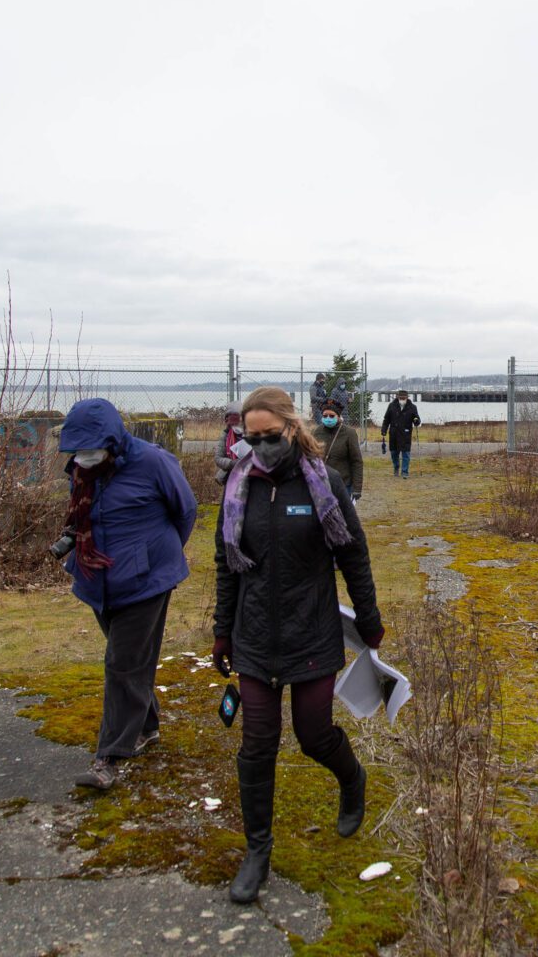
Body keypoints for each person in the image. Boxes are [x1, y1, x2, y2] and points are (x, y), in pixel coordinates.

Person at [212, 386, 385, 904]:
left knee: (314, 736)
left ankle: (351, 779)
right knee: (257, 744)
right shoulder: (236, 486)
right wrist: (223, 629)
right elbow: (226, 563)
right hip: (255, 635)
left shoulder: (322, 484)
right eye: (251, 437)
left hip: (311, 630)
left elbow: (353, 557)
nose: (261, 446)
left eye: (270, 436)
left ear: (292, 429)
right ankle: (257, 851)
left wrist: (370, 621)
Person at [58, 398, 198, 790]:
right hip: (96, 578)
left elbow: (185, 511)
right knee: (131, 662)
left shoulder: (153, 462)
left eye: (91, 447)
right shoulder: (83, 470)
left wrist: (155, 555)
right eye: (77, 449)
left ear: (114, 439)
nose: (84, 456)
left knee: (121, 663)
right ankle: (147, 726)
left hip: (146, 580)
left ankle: (109, 757)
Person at [315, 397, 363, 502]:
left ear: (338, 416)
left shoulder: (349, 433)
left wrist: (357, 488)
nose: (328, 418)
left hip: (343, 484)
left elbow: (356, 461)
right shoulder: (317, 432)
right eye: (325, 416)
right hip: (321, 483)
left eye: (331, 416)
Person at [380, 389, 421, 479]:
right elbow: (386, 420)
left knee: (406, 453)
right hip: (394, 433)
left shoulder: (412, 407)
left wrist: (416, 421)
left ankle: (405, 471)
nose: (402, 399)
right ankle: (396, 467)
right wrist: (384, 429)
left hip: (406, 433)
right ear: (397, 397)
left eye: (404, 398)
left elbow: (417, 420)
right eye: (400, 397)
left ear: (407, 398)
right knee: (394, 453)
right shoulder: (391, 406)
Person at [214, 402, 243, 484]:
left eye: (238, 423)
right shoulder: (225, 435)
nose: (235, 426)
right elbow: (218, 458)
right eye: (232, 424)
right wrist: (232, 463)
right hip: (231, 476)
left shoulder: (253, 434)